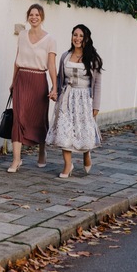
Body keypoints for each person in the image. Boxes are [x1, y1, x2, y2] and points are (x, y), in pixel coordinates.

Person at [46, 24, 103, 178]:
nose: (77, 38)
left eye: (80, 36)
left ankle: (86, 154)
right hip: (67, 96)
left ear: (86, 39)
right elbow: (59, 78)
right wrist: (55, 91)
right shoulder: (65, 56)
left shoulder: (93, 59)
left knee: (83, 130)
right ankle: (67, 165)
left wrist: (96, 105)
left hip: (85, 99)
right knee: (64, 130)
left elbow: (97, 84)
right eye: (75, 35)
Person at [7, 3, 58, 172]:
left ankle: (42, 151)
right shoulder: (22, 35)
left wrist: (54, 87)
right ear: (28, 17)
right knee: (18, 118)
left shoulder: (50, 39)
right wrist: (13, 82)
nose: (34, 17)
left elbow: (51, 65)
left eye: (37, 15)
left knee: (38, 119)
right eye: (31, 14)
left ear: (42, 17)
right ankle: (16, 160)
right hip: (22, 79)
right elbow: (17, 59)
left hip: (38, 81)